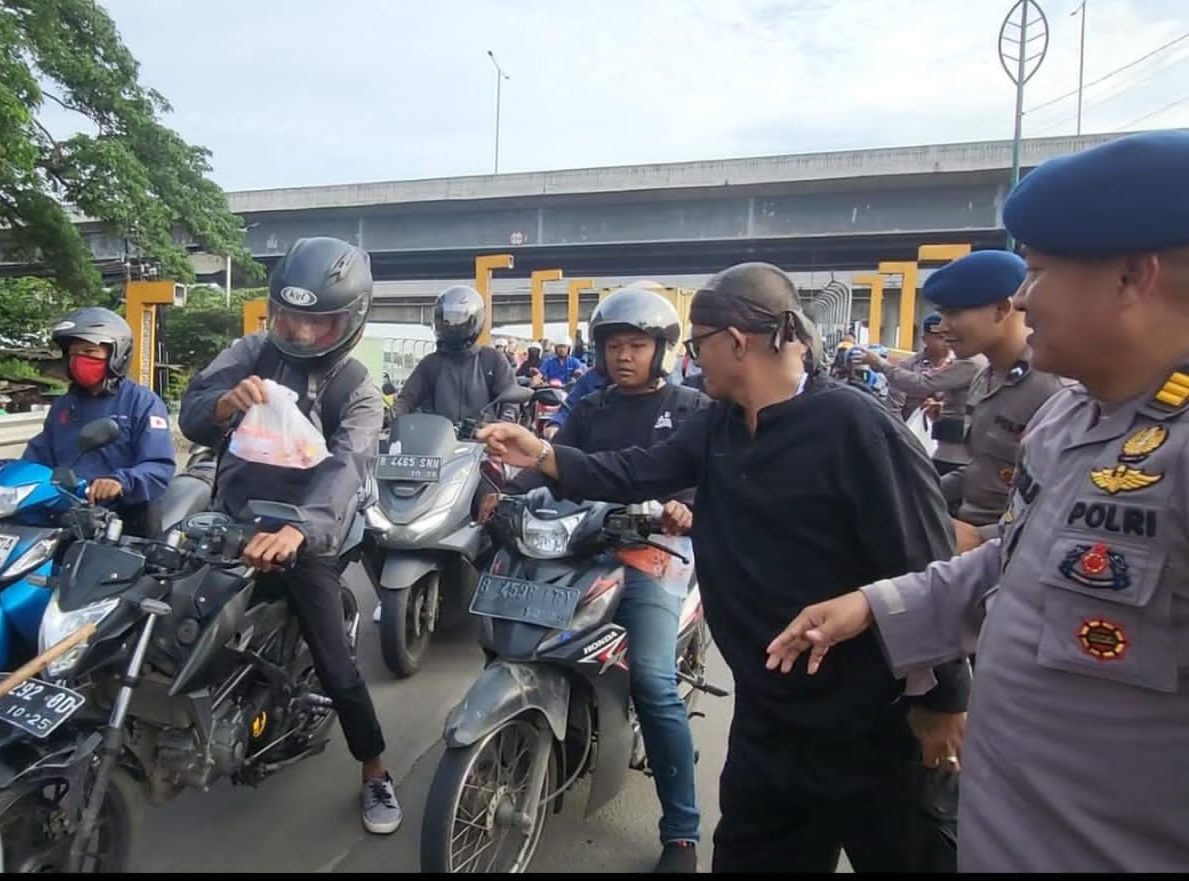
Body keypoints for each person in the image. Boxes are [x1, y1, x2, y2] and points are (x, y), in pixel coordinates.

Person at [765, 129, 1189, 873]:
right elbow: (1017, 563)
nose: (1022, 297)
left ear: (1132, 276)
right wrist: (871, 603)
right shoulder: (1072, 418)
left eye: (1041, 271)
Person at [476, 261, 969, 873]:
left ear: (735, 342)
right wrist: (545, 455)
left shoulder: (857, 428)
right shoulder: (720, 425)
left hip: (872, 729)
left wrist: (945, 700)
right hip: (768, 720)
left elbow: (928, 569)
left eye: (697, 344)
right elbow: (636, 469)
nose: (693, 359)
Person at [177, 236, 402, 835]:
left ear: (350, 321)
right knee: (164, 611)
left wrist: (298, 529)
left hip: (307, 533)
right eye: (290, 317)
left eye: (317, 322)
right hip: (231, 517)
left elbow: (346, 467)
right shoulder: (252, 350)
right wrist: (224, 404)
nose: (300, 333)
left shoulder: (356, 387)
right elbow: (193, 413)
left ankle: (375, 772)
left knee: (336, 663)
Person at [493, 285, 711, 872]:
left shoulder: (692, 407)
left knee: (653, 683)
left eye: (637, 344)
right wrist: (497, 498)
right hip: (581, 542)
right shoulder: (590, 406)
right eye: (614, 345)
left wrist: (685, 507)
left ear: (662, 349)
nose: (624, 356)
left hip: (654, 553)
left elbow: (698, 479)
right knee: (511, 629)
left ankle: (683, 833)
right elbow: (554, 469)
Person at [0, 307, 176, 537]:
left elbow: (158, 467)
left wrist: (120, 482)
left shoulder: (142, 402)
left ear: (117, 353)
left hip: (126, 520)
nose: (79, 360)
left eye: (89, 351)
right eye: (74, 353)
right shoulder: (65, 406)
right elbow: (38, 460)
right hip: (68, 515)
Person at [906, 251, 1068, 549]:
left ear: (1001, 309)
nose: (943, 326)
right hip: (965, 531)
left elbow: (1062, 503)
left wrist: (985, 538)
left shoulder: (1052, 388)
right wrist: (913, 496)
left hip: (1011, 547)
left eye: (953, 313)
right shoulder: (985, 379)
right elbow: (981, 469)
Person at [859, 312, 984, 476]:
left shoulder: (968, 363)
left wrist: (881, 364)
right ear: (925, 339)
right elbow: (894, 408)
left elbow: (921, 384)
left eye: (950, 337)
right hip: (917, 438)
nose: (946, 342)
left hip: (954, 451)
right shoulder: (910, 365)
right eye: (940, 337)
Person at [390, 285, 519, 424]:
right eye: (447, 317)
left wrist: (507, 419)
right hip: (436, 441)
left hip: (484, 440)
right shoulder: (431, 363)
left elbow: (510, 399)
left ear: (474, 319)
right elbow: (408, 397)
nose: (451, 323)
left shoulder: (492, 359)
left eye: (458, 316)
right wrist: (391, 415)